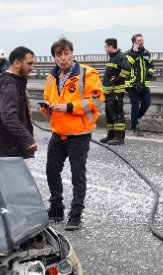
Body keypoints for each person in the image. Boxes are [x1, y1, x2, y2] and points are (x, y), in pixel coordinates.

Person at [41, 37, 104, 231]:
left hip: (79, 134)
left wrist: (68, 107)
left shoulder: (87, 74)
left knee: (77, 175)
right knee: (51, 171)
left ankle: (75, 214)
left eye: (66, 53)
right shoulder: (51, 77)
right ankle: (56, 208)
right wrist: (46, 108)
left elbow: (96, 100)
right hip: (58, 133)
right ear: (54, 57)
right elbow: (47, 98)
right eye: (58, 55)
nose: (63, 58)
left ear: (72, 53)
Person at [0, 46, 37, 158]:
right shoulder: (10, 85)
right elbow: (9, 117)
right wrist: (28, 139)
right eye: (29, 63)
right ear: (17, 63)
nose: (32, 67)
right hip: (8, 151)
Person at [100, 38, 132, 145]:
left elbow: (127, 69)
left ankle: (119, 137)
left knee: (117, 114)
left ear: (110, 46)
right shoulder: (113, 58)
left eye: (105, 46)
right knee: (109, 115)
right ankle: (111, 136)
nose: (104, 48)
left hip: (116, 92)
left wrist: (117, 79)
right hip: (109, 93)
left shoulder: (120, 56)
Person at [125, 34, 154, 136]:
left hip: (144, 84)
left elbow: (151, 65)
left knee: (147, 103)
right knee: (135, 105)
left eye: (142, 40)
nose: (141, 42)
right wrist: (135, 54)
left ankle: (136, 118)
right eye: (139, 41)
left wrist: (149, 74)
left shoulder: (146, 53)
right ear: (134, 43)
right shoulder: (128, 54)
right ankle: (135, 127)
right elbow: (127, 66)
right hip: (132, 85)